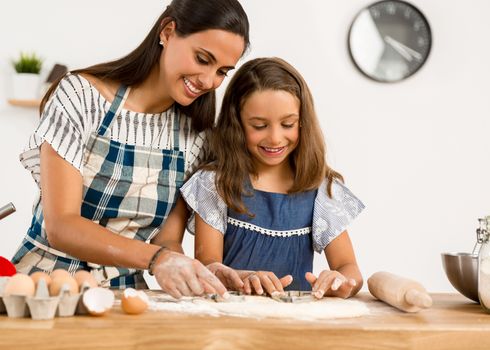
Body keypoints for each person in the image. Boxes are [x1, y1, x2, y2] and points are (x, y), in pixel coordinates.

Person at [11, 0, 249, 299]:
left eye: (222, 71)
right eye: (202, 59)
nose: (208, 81)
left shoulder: (195, 138)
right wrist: (155, 259)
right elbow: (62, 225)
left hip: (126, 296)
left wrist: (200, 270)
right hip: (42, 288)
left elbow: (167, 243)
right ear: (168, 31)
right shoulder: (81, 97)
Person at [180, 57, 365, 298]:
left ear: (303, 123)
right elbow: (207, 267)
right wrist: (243, 279)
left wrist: (341, 280)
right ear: (236, 123)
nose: (275, 138)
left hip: (294, 328)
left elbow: (349, 269)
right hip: (230, 325)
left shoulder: (320, 188)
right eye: (259, 126)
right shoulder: (215, 183)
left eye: (288, 124)